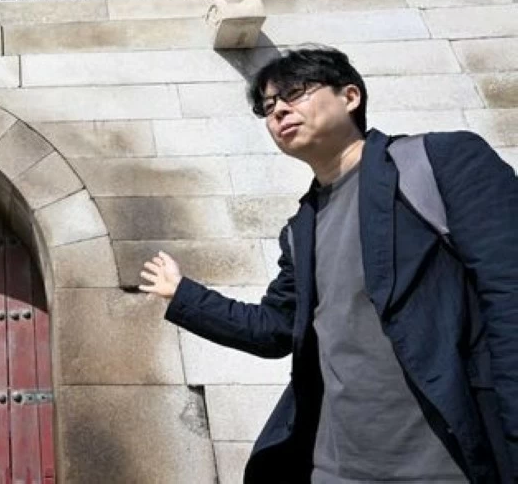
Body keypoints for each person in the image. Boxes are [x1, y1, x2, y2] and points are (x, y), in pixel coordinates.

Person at [139, 46, 518, 483]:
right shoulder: (301, 228)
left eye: (294, 93)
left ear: (350, 96)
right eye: (267, 106)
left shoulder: (441, 162)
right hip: (336, 467)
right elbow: (274, 330)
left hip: (448, 462)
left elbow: (508, 295)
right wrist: (184, 295)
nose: (278, 111)